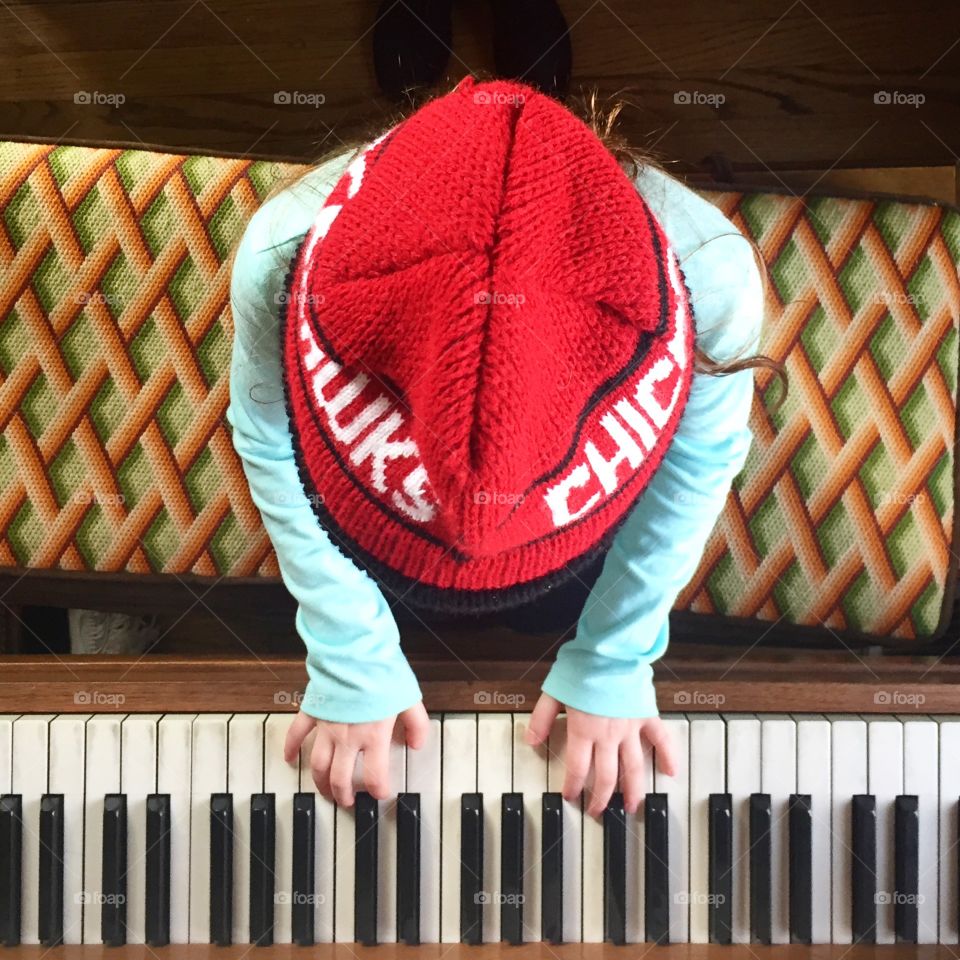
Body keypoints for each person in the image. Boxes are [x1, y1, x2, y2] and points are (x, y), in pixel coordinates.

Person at [226, 75, 785, 819]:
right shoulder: (282, 253)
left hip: (583, 570)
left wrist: (616, 652)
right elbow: (268, 437)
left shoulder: (709, 272)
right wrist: (349, 646)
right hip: (363, 562)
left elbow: (696, 460)